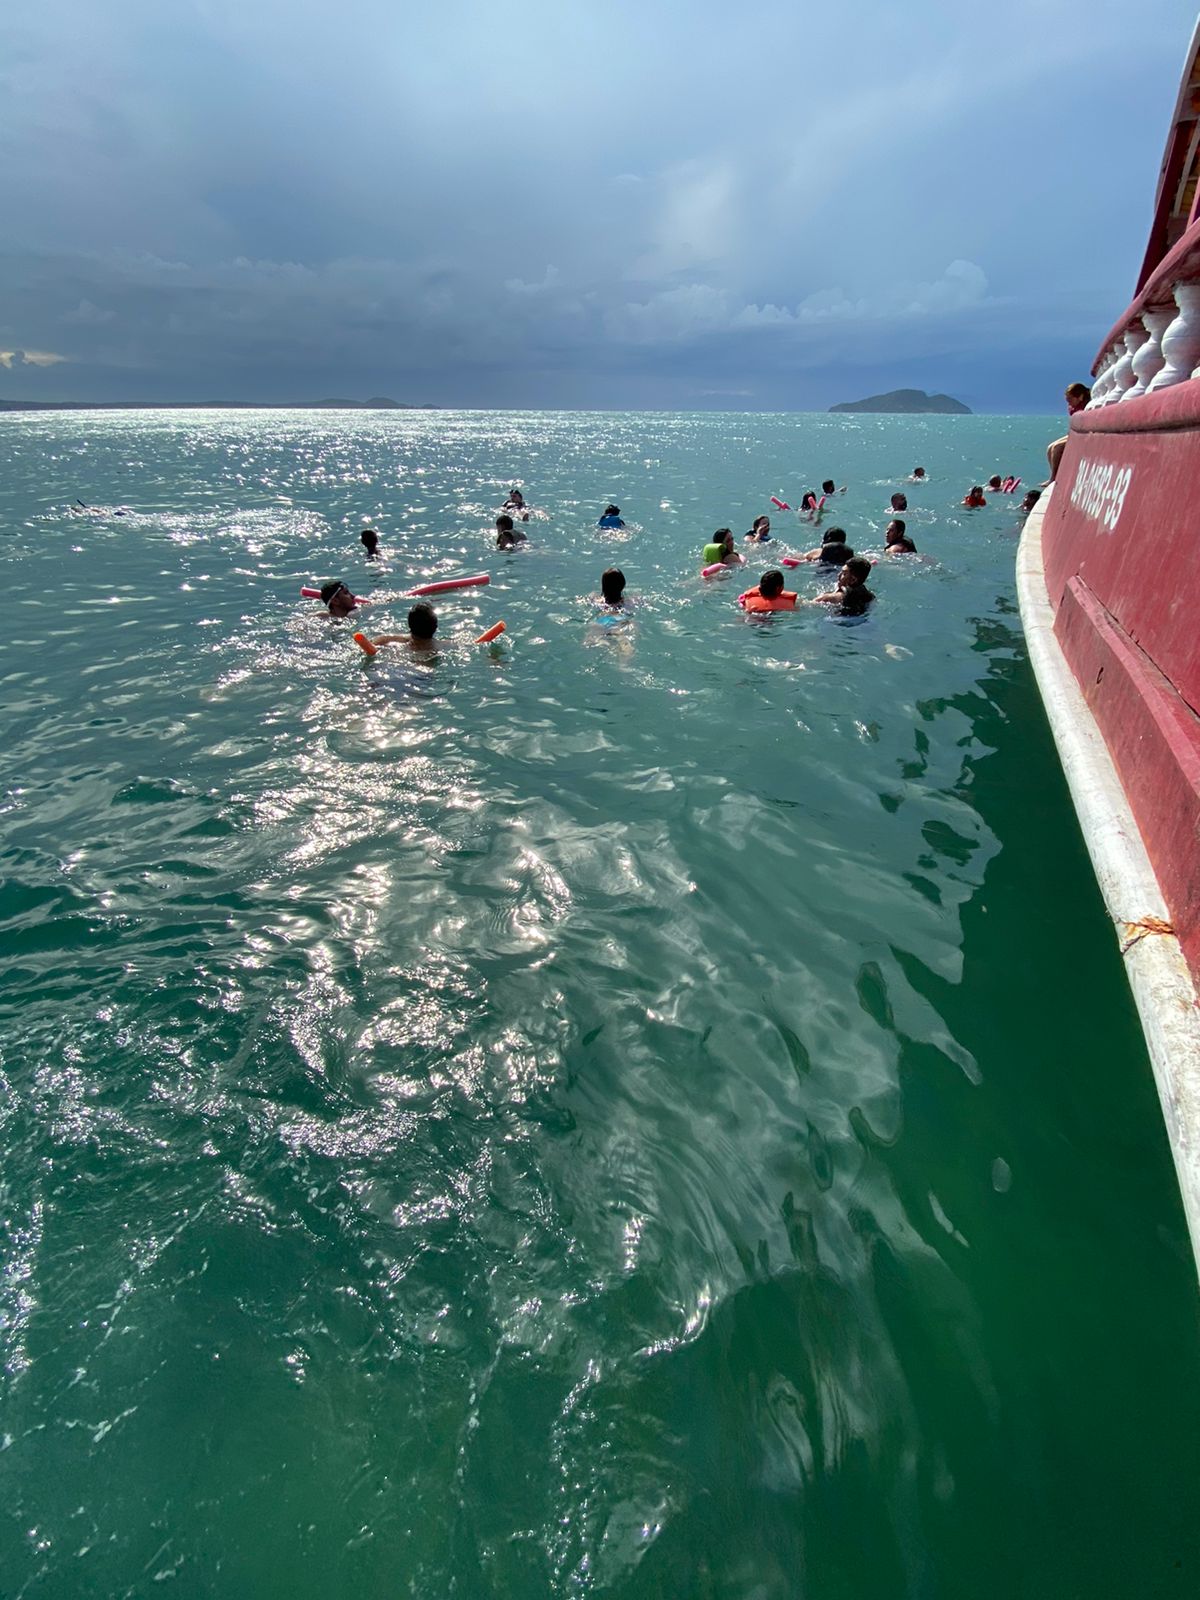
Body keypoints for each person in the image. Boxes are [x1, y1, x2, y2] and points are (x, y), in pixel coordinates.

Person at [1046, 383, 1092, 481]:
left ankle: (1054, 478)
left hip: (1085, 435)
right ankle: (1053, 475)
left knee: (1057, 448)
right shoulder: (1073, 408)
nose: (1069, 404)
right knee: (1050, 447)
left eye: (1070, 400)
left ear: (1080, 397)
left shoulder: (1088, 407)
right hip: (1075, 433)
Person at [360, 602, 439, 653]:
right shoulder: (440, 646)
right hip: (423, 677)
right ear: (435, 627)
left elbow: (366, 648)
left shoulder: (385, 639)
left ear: (409, 624)